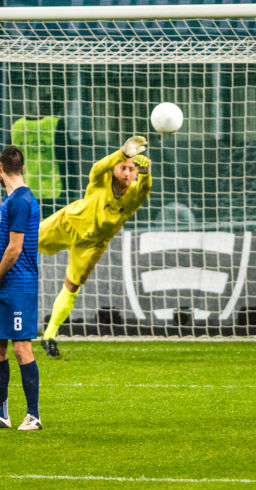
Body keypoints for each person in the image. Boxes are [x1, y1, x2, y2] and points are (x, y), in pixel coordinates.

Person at [39, 136, 151, 358]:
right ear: (114, 169)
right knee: (23, 243)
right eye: (123, 168)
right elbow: (98, 166)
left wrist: (146, 173)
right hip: (68, 223)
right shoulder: (100, 180)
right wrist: (122, 152)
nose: (128, 173)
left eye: (132, 169)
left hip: (93, 244)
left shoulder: (135, 194)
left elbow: (145, 189)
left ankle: (49, 336)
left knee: (72, 286)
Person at [0, 146, 42, 431]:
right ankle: (1, 414)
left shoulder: (21, 201)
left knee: (21, 347)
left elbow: (15, 249)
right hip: (4, 282)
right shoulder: (8, 202)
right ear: (23, 168)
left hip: (18, 284)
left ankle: (33, 415)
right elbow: (0, 240)